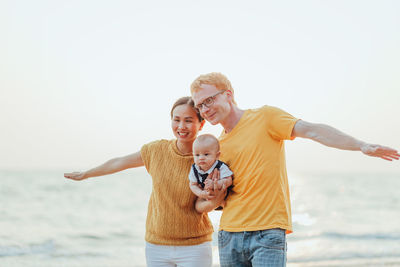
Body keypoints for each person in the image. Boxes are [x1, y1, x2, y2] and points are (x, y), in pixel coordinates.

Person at [190, 72, 400, 267]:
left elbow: (313, 131)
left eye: (209, 100)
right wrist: (213, 192)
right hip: (228, 235)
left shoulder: (264, 117)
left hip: (267, 233)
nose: (205, 109)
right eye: (200, 106)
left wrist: (361, 145)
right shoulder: (215, 148)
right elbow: (217, 197)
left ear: (228, 94)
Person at [64, 96, 215, 267]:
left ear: (201, 124)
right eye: (176, 120)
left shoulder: (207, 159)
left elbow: (206, 202)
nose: (181, 126)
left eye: (188, 121)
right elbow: (119, 162)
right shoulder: (157, 150)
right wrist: (86, 174)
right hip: (157, 246)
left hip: (194, 247)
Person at [188, 134, 233, 207]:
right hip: (206, 196)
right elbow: (193, 185)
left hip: (223, 194)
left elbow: (229, 180)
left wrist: (216, 184)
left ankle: (222, 203)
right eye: (197, 155)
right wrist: (201, 193)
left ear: (217, 155)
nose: (201, 158)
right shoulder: (194, 169)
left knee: (226, 203)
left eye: (206, 154)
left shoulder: (220, 167)